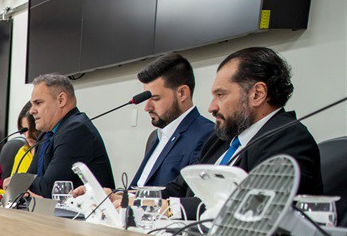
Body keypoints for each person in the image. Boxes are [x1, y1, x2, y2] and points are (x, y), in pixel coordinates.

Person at [163, 46, 322, 206]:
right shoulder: (220, 139)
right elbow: (177, 188)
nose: (211, 107)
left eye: (220, 95)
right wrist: (142, 199)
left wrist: (172, 208)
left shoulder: (289, 140)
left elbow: (251, 208)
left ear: (257, 94)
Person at [130, 53, 215, 189]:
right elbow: (139, 188)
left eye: (156, 99)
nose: (147, 107)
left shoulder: (207, 135)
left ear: (182, 93)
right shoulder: (155, 137)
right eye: (147, 100)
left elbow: (187, 195)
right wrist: (113, 196)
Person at [27, 73, 115, 196]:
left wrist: (20, 182)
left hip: (86, 213)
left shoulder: (76, 130)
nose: (32, 110)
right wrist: (23, 182)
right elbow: (29, 178)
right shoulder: (46, 135)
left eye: (38, 103)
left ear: (61, 100)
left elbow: (49, 189)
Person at [10, 102, 40, 176]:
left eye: (33, 130)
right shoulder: (22, 152)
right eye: (24, 130)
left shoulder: (50, 152)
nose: (27, 136)